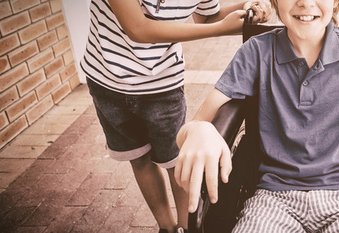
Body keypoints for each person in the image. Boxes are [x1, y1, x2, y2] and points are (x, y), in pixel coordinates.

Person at [174, 0, 339, 231]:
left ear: (336, 2)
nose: (306, 2)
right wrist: (200, 131)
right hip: (273, 197)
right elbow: (194, 125)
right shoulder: (256, 52)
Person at [81, 0, 271, 232]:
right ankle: (166, 227)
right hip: (107, 81)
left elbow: (207, 16)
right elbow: (137, 28)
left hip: (163, 84)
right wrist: (222, 29)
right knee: (139, 158)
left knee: (177, 162)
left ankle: (186, 228)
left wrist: (248, 5)